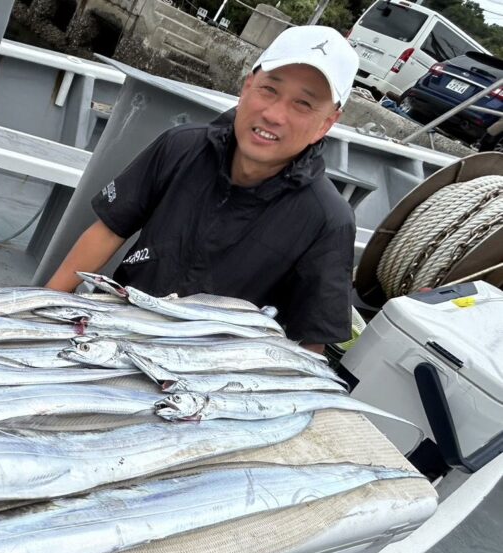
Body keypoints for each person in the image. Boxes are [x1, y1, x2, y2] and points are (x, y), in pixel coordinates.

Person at [45, 26, 361, 353]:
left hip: (211, 370)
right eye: (269, 89)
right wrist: (40, 310)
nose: (274, 114)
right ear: (247, 87)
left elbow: (311, 340)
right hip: (116, 326)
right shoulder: (180, 146)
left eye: (303, 104)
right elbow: (109, 230)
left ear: (326, 124)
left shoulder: (328, 219)